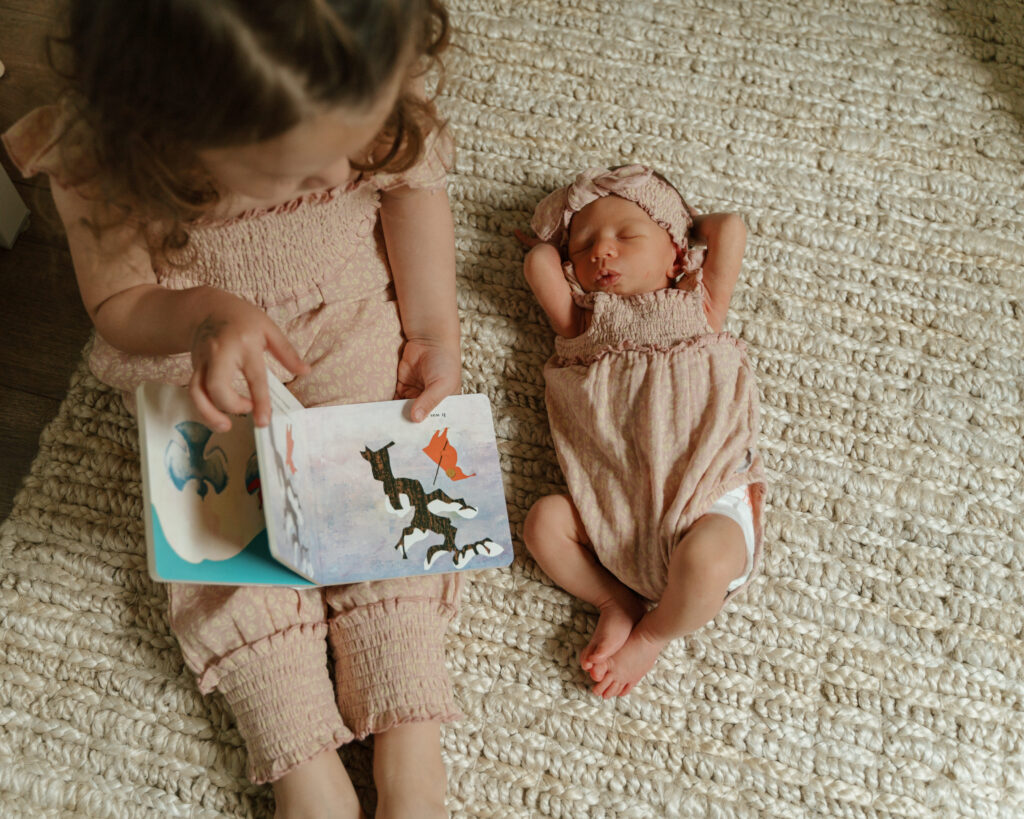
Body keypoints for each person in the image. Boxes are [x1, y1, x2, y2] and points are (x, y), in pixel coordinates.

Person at [3, 2, 462, 816]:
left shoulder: (358, 59)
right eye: (298, 170)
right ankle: (301, 757)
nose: (333, 181)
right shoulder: (103, 152)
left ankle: (407, 729)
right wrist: (205, 316)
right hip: (200, 349)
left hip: (347, 315)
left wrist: (430, 326)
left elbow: (411, 189)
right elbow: (120, 304)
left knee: (394, 492)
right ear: (167, 134)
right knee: (221, 528)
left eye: (344, 156)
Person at [521, 165, 766, 699]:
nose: (601, 253)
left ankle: (654, 633)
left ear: (677, 255)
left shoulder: (699, 307)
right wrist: (556, 240)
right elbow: (539, 261)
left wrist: (683, 222)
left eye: (627, 236)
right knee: (543, 524)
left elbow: (730, 228)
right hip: (613, 512)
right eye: (583, 246)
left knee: (705, 561)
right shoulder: (581, 326)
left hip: (704, 499)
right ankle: (616, 601)